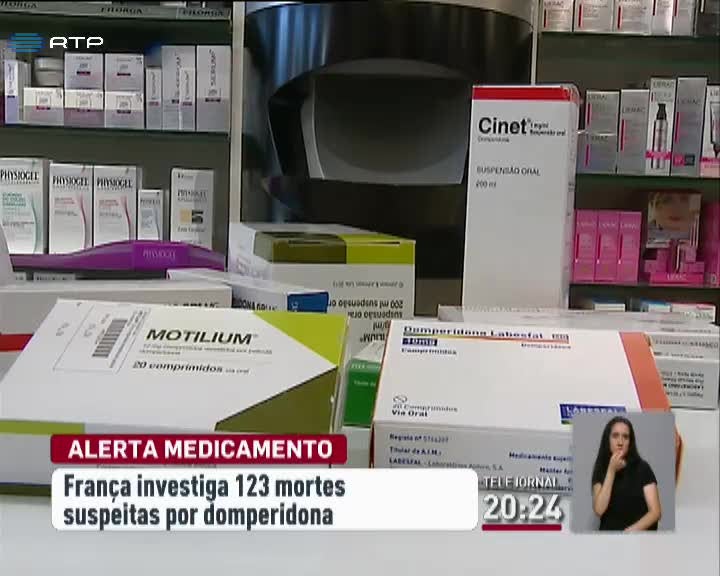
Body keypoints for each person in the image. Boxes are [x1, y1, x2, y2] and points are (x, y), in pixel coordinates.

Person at [591, 416, 662, 532]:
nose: (620, 442)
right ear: (607, 440)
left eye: (625, 437)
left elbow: (655, 512)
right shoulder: (601, 468)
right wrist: (611, 470)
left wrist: (628, 533)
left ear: (630, 442)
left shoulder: (642, 468)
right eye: (615, 436)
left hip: (638, 537)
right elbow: (599, 510)